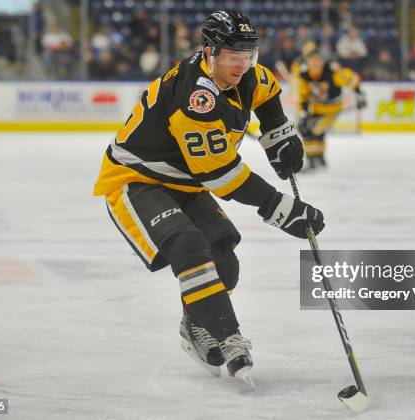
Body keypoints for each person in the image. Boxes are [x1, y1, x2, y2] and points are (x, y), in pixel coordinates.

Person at [93, 11, 324, 385]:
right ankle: (227, 336)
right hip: (135, 179)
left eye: (249, 55)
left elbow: (267, 93)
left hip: (185, 182)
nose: (243, 64)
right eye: (234, 56)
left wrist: (279, 136)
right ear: (209, 52)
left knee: (225, 263)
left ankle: (195, 322)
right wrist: (281, 209)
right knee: (188, 244)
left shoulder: (250, 73)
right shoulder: (196, 97)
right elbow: (221, 175)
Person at [296, 45, 366, 170]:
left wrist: (359, 93)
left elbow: (350, 78)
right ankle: (318, 158)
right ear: (308, 61)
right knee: (307, 128)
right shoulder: (304, 76)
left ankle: (314, 159)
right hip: (316, 108)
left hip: (332, 109)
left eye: (319, 59)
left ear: (323, 61)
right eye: (313, 59)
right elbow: (302, 96)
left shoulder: (332, 72)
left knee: (314, 130)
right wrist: (303, 111)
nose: (316, 62)